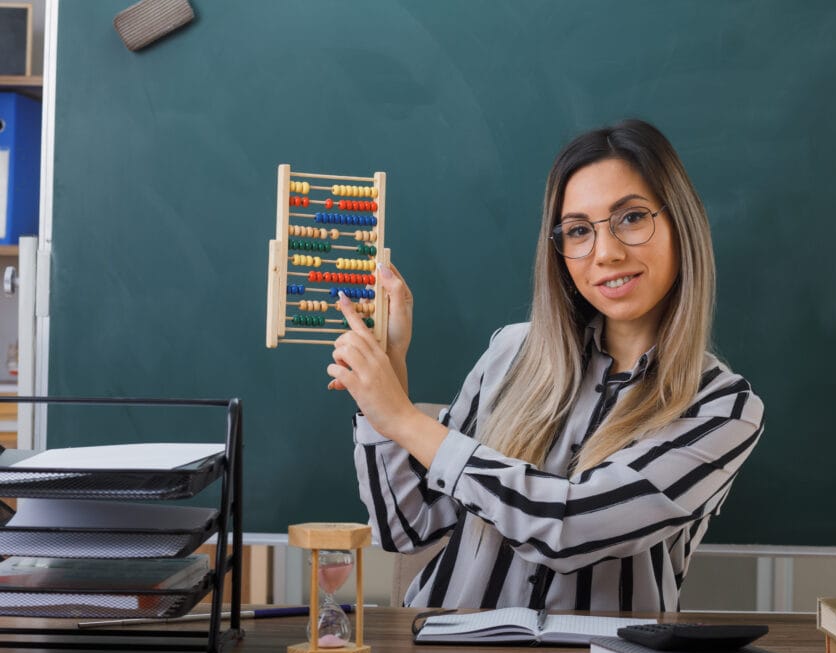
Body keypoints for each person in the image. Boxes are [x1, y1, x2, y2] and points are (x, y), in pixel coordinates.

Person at [327, 119, 764, 611]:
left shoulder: (723, 407)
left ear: (681, 222)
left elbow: (570, 527)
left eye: (633, 218)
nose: (606, 253)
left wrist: (404, 419)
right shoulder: (512, 353)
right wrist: (384, 383)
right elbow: (405, 526)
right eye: (579, 230)